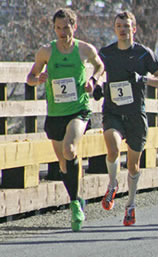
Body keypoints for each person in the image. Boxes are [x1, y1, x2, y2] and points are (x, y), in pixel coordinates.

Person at [26, 8, 104, 232]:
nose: (62, 32)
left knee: (70, 150)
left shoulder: (84, 49)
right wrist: (38, 79)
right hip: (55, 114)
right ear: (54, 28)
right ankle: (78, 198)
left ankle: (74, 205)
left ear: (74, 27)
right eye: (58, 28)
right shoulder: (46, 52)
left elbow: (100, 65)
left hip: (79, 110)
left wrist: (93, 80)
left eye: (66, 27)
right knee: (64, 164)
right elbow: (30, 77)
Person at [94, 11, 158, 226]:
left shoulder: (144, 54)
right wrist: (97, 85)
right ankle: (112, 185)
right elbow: (97, 71)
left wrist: (142, 79)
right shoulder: (106, 53)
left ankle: (131, 205)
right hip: (113, 111)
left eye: (126, 26)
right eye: (119, 26)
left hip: (136, 114)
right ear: (114, 29)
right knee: (112, 146)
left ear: (133, 29)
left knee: (134, 165)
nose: (123, 29)